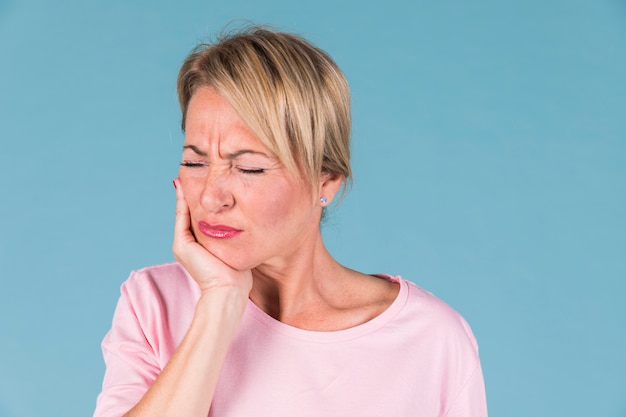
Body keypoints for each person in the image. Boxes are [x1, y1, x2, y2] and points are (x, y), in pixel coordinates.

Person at [93, 26, 487, 417]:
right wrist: (219, 303)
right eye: (195, 162)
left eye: (248, 168)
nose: (211, 196)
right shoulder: (154, 303)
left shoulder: (431, 340)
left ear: (326, 180)